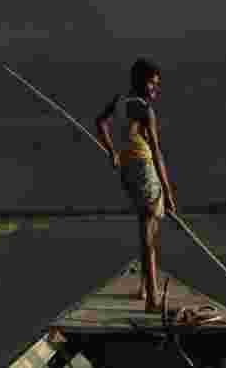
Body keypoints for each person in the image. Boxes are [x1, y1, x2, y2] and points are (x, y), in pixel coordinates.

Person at [94, 58, 177, 313]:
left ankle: (144, 288)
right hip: (144, 169)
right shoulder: (145, 110)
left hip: (128, 172)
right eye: (153, 84)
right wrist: (169, 192)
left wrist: (113, 152)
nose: (156, 89)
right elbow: (156, 152)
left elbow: (100, 122)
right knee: (149, 235)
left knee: (147, 230)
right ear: (141, 82)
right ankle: (152, 300)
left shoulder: (119, 101)